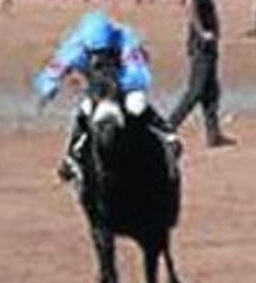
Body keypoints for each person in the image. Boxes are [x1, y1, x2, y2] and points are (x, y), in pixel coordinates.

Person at [34, 11, 179, 184]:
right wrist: (48, 88)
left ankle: (167, 134)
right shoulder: (75, 45)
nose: (99, 56)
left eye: (104, 52)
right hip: (95, 86)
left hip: (123, 81)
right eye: (93, 53)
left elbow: (137, 74)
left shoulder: (125, 39)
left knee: (136, 104)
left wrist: (118, 88)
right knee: (85, 110)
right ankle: (72, 158)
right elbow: (55, 69)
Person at [170, 0, 236, 148]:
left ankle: (213, 133)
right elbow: (191, 4)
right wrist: (202, 32)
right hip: (201, 39)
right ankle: (167, 128)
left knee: (211, 89)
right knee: (196, 89)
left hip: (208, 34)